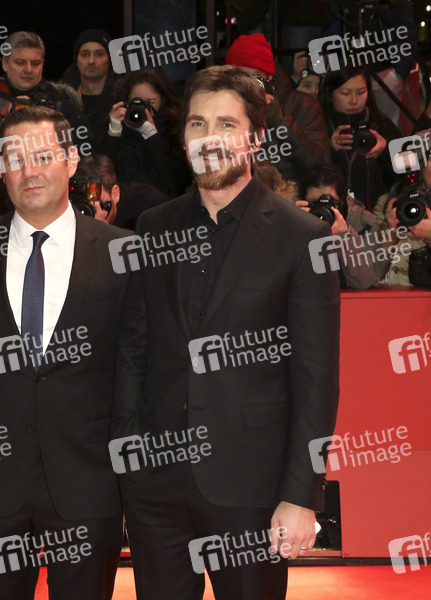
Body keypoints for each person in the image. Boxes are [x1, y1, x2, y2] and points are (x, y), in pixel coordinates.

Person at [113, 66, 340, 599]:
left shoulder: (302, 237)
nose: (208, 138)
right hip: (156, 487)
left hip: (252, 490)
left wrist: (300, 496)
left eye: (225, 124)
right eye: (197, 124)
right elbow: (134, 349)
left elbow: (316, 380)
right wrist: (128, 455)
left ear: (254, 139)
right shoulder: (154, 226)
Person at [0, 106, 127, 600]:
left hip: (89, 480)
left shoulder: (123, 253)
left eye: (41, 157)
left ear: (71, 161)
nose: (28, 171)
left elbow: (137, 371)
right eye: (14, 159)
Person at [225, 34, 331, 184]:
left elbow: (321, 167)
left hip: (291, 194)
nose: (247, 84)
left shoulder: (303, 105)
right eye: (239, 77)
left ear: (268, 77)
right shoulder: (222, 107)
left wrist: (280, 123)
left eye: (254, 77)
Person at [0, 31, 88, 153]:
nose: (28, 69)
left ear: (43, 64)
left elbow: (83, 150)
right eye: (20, 63)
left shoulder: (61, 101)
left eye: (35, 63)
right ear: (5, 63)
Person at [296, 165, 392, 288]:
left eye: (329, 203)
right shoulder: (294, 221)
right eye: (314, 203)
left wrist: (344, 234)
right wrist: (295, 228)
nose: (321, 209)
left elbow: (365, 281)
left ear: (342, 201)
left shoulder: (363, 222)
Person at [102, 69, 192, 198]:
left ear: (163, 101)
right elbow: (102, 178)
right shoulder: (117, 132)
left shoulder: (175, 130)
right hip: (125, 205)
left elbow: (176, 182)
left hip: (164, 206)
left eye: (150, 103)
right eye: (136, 102)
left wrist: (152, 136)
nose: (143, 109)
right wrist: (113, 132)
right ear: (126, 101)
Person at [321, 67, 402, 210]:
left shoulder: (382, 124)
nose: (354, 100)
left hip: (377, 213)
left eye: (361, 92)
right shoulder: (319, 123)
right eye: (345, 93)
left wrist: (386, 151)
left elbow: (406, 177)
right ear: (330, 93)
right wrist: (327, 147)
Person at [373, 144, 431, 285]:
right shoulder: (387, 202)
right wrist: (389, 234)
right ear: (420, 165)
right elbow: (369, 271)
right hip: (384, 292)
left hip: (424, 295)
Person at [74, 153, 165, 230]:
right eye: (86, 206)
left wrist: (102, 231)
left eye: (98, 204)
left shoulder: (147, 203)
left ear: (115, 194)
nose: (91, 214)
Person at [60, 29, 116, 145]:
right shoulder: (60, 100)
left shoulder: (121, 98)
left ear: (110, 60)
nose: (91, 61)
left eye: (99, 54)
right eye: (85, 54)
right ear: (76, 60)